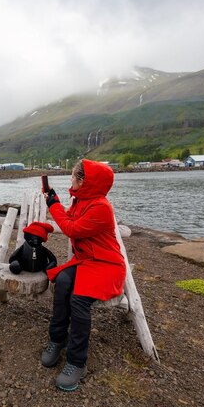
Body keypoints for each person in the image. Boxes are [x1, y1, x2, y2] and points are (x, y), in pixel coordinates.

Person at [42, 159, 126, 392]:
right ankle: (57, 339)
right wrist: (57, 203)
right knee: (63, 281)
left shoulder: (100, 207)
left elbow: (71, 228)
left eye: (73, 177)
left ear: (85, 181)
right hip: (87, 262)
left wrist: (53, 204)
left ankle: (77, 362)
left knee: (79, 299)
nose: (70, 180)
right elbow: (70, 220)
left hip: (106, 265)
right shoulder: (82, 201)